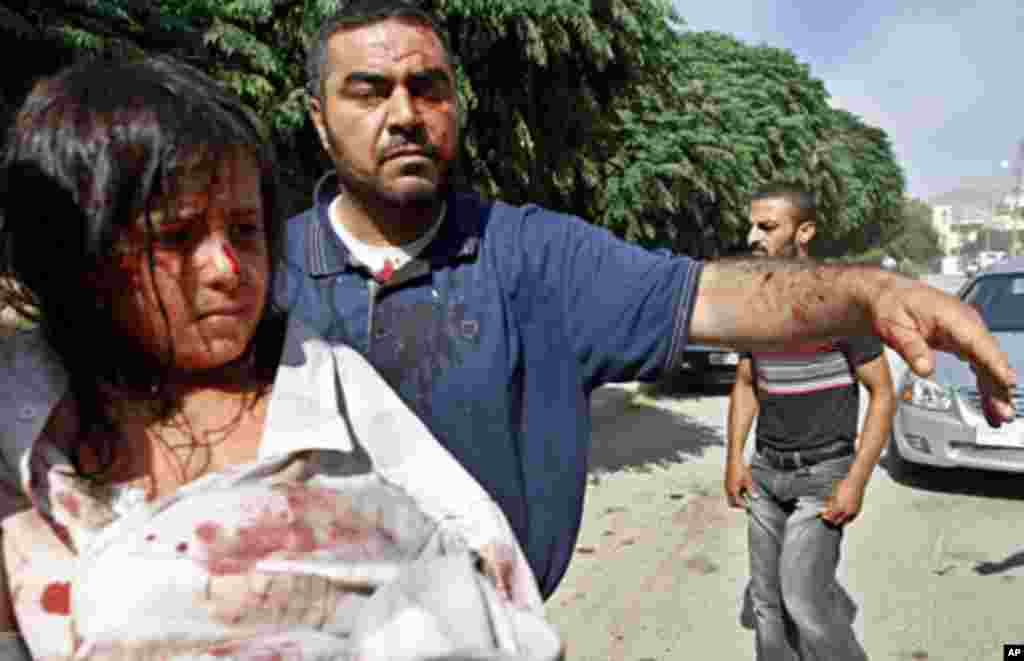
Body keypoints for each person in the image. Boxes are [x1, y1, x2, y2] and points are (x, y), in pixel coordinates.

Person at [278, 0, 1015, 601]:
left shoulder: (535, 257)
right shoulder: (264, 276)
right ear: (319, 117)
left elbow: (716, 295)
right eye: (369, 91)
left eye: (428, 88)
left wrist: (875, 291)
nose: (405, 114)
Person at [0, 57, 561, 661]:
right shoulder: (22, 424)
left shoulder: (327, 386)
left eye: (245, 231)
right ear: (81, 257)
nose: (227, 269)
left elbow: (487, 577)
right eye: (176, 238)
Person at [724, 183, 894, 660]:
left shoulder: (839, 303)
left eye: (767, 227)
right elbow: (746, 382)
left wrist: (856, 480)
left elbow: (882, 393)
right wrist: (735, 460)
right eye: (752, 224)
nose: (752, 236)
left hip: (822, 477)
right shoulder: (752, 304)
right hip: (765, 474)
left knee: (805, 603)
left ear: (805, 232)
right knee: (767, 604)